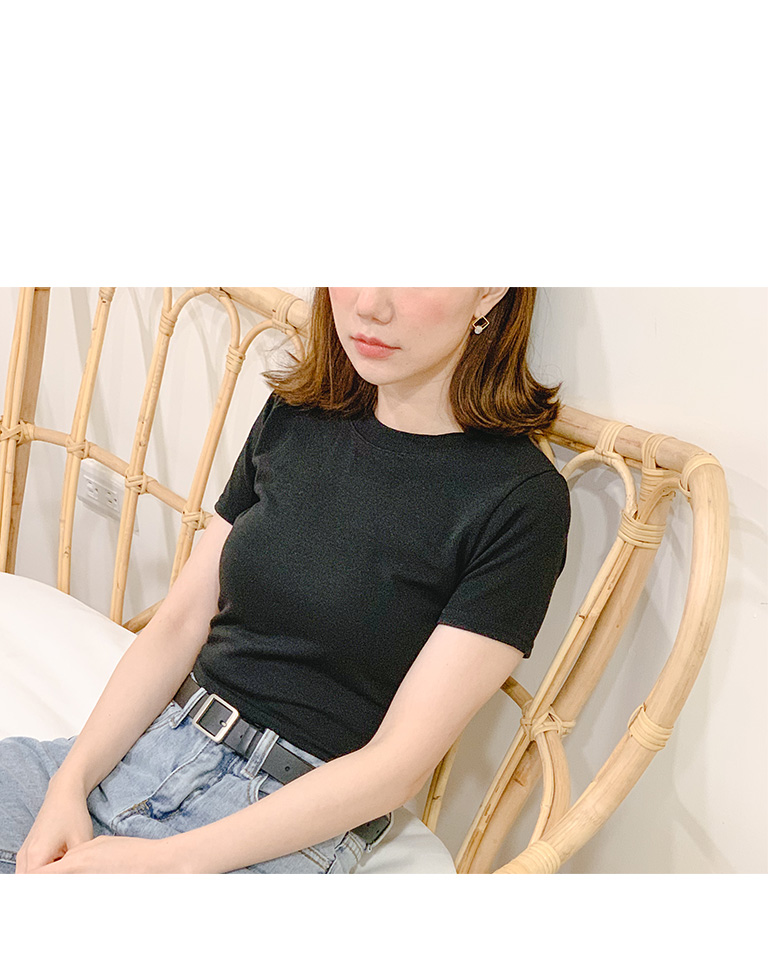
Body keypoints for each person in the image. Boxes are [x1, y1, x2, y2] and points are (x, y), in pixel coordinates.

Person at [0, 287, 570, 874]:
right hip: (155, 743)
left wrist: (169, 863)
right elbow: (178, 625)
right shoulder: (297, 413)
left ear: (489, 289)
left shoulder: (521, 502)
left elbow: (398, 764)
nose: (370, 305)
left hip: (285, 820)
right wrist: (69, 785)